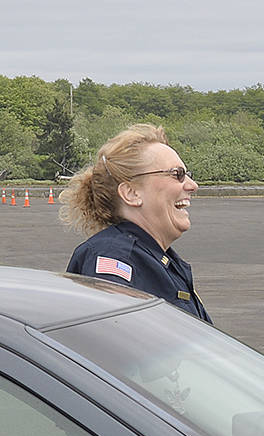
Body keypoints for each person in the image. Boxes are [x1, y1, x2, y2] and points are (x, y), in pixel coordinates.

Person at [60, 124, 210, 322]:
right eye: (177, 174)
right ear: (131, 193)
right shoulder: (113, 257)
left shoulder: (157, 260)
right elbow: (113, 340)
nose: (192, 186)